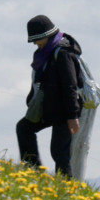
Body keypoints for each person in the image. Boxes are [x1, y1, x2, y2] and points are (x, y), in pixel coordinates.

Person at [16, 15, 82, 177]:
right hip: (48, 108)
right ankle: (35, 171)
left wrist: (72, 116)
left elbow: (70, 86)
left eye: (36, 39)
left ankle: (66, 190)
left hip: (64, 112)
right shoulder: (44, 53)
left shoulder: (63, 54)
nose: (34, 43)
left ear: (47, 36)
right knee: (23, 128)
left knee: (59, 153)